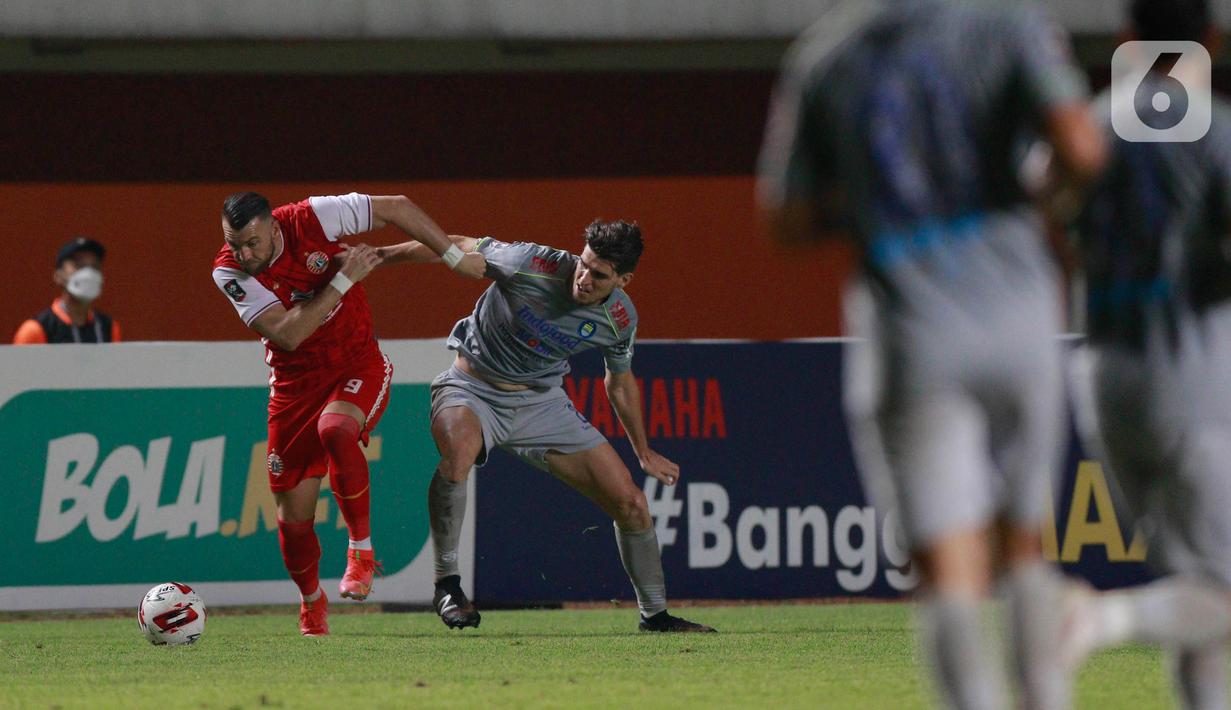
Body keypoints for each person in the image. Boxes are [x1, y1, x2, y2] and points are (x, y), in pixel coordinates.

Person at [757, 1, 1105, 708]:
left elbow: (783, 218)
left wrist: (871, 201)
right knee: (1021, 547)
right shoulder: (1008, 24)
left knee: (947, 569)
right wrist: (1044, 203)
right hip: (1018, 314)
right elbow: (1081, 150)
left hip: (912, 333)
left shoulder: (825, 58)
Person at [396, 219, 714, 633]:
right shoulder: (530, 262)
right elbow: (456, 243)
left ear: (623, 280)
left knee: (632, 504)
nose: (584, 278)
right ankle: (447, 586)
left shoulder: (619, 318)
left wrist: (643, 450)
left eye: (599, 275)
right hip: (471, 386)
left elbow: (618, 382)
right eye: (584, 264)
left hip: (541, 404)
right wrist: (383, 257)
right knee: (459, 455)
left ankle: (655, 616)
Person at [210, 191, 484, 636]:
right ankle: (311, 601)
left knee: (336, 428)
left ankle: (361, 551)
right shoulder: (228, 271)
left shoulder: (312, 217)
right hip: (294, 388)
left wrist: (453, 257)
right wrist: (343, 279)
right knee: (293, 520)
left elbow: (396, 206)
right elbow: (288, 334)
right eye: (234, 243)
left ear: (274, 228)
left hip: (357, 365)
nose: (244, 255)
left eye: (252, 243)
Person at [1065, 2, 1231, 706]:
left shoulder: (1088, 123)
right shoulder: (1213, 129)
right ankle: (1095, 620)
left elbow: (1042, 202)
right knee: (1220, 592)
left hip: (1103, 373)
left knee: (1192, 587)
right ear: (1211, 40)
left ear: (1127, 38)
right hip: (1189, 371)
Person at [14, 237, 121, 344]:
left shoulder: (109, 328)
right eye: (79, 265)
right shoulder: (35, 330)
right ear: (58, 276)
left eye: (95, 266)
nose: (88, 273)